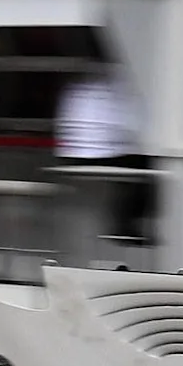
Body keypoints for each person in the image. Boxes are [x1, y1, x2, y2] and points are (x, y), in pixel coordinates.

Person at [55, 64, 152, 243]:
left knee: (141, 166)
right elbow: (129, 128)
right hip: (98, 151)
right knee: (148, 168)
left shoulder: (84, 84)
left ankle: (128, 224)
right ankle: (127, 226)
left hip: (80, 149)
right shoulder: (119, 82)